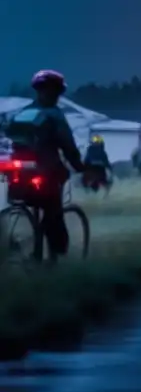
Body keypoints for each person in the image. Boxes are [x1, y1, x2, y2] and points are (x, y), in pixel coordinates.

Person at [2, 70, 85, 261]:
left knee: (28, 201)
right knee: (53, 209)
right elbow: (68, 145)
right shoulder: (54, 115)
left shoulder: (23, 113)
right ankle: (53, 252)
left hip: (21, 172)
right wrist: (78, 165)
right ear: (56, 92)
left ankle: (32, 242)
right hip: (46, 169)